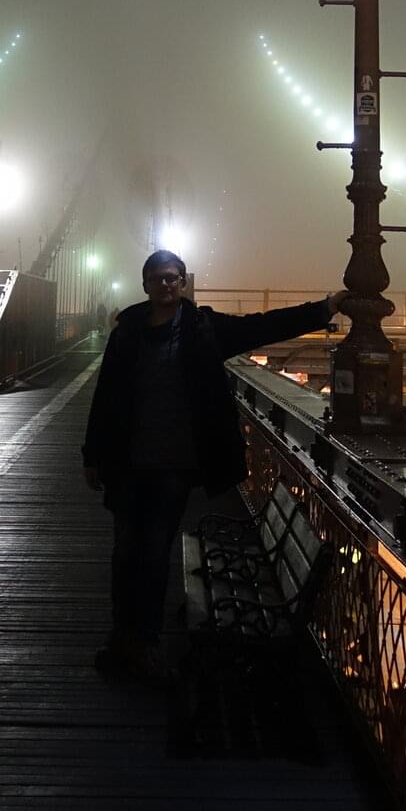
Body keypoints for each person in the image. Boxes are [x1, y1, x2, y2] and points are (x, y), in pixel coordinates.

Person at [80, 248, 345, 679]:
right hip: (126, 464)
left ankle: (144, 642)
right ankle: (121, 637)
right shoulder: (126, 331)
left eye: (174, 278)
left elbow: (264, 326)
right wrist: (92, 455)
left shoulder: (204, 329)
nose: (166, 285)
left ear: (183, 284)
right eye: (158, 278)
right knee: (124, 553)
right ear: (145, 284)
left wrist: (325, 309)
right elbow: (106, 396)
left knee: (152, 554)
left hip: (175, 464)